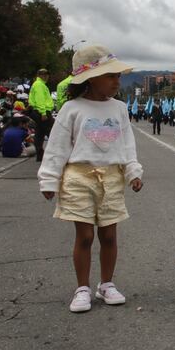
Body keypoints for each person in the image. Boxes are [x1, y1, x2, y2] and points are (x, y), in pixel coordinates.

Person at [38, 45, 143, 313]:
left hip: (111, 178)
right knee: (84, 236)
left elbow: (127, 144)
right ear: (90, 78)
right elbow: (57, 147)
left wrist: (133, 171)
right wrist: (49, 179)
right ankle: (82, 288)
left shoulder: (119, 108)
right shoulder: (72, 109)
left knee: (109, 235)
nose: (116, 82)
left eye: (118, 77)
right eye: (110, 76)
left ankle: (106, 284)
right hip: (78, 177)